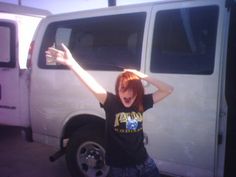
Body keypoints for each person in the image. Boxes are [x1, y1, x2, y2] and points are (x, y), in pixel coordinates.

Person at [45, 43, 174, 177]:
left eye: (132, 89)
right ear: (117, 90)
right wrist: (72, 64)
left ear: (138, 91)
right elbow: (91, 83)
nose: (128, 94)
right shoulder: (111, 103)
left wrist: (141, 75)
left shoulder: (141, 102)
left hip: (145, 164)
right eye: (123, 88)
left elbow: (168, 89)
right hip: (120, 170)